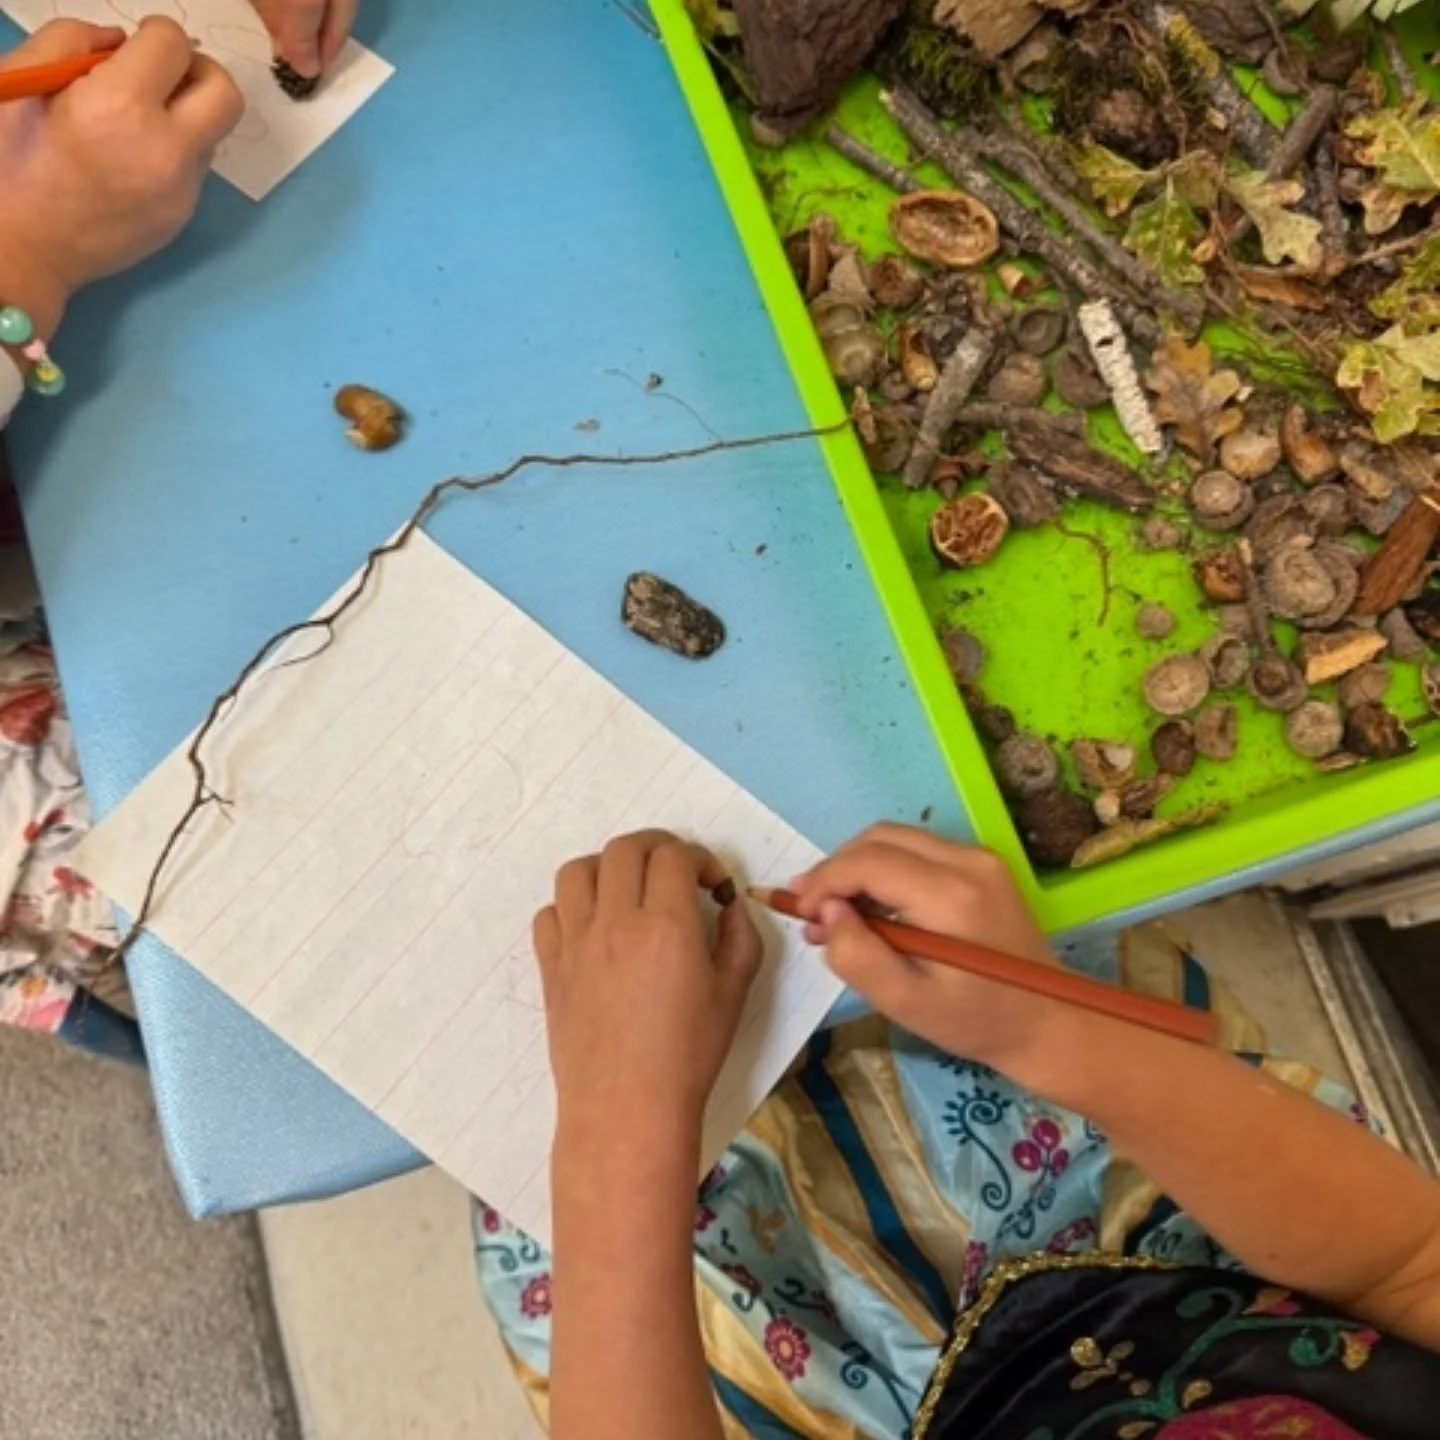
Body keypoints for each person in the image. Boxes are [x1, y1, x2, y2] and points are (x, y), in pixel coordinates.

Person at [474, 825, 1440, 1438]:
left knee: (551, 1051)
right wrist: (1051, 1029)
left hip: (768, 1366)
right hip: (1177, 1218)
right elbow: (1410, 1263)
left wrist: (617, 1125)